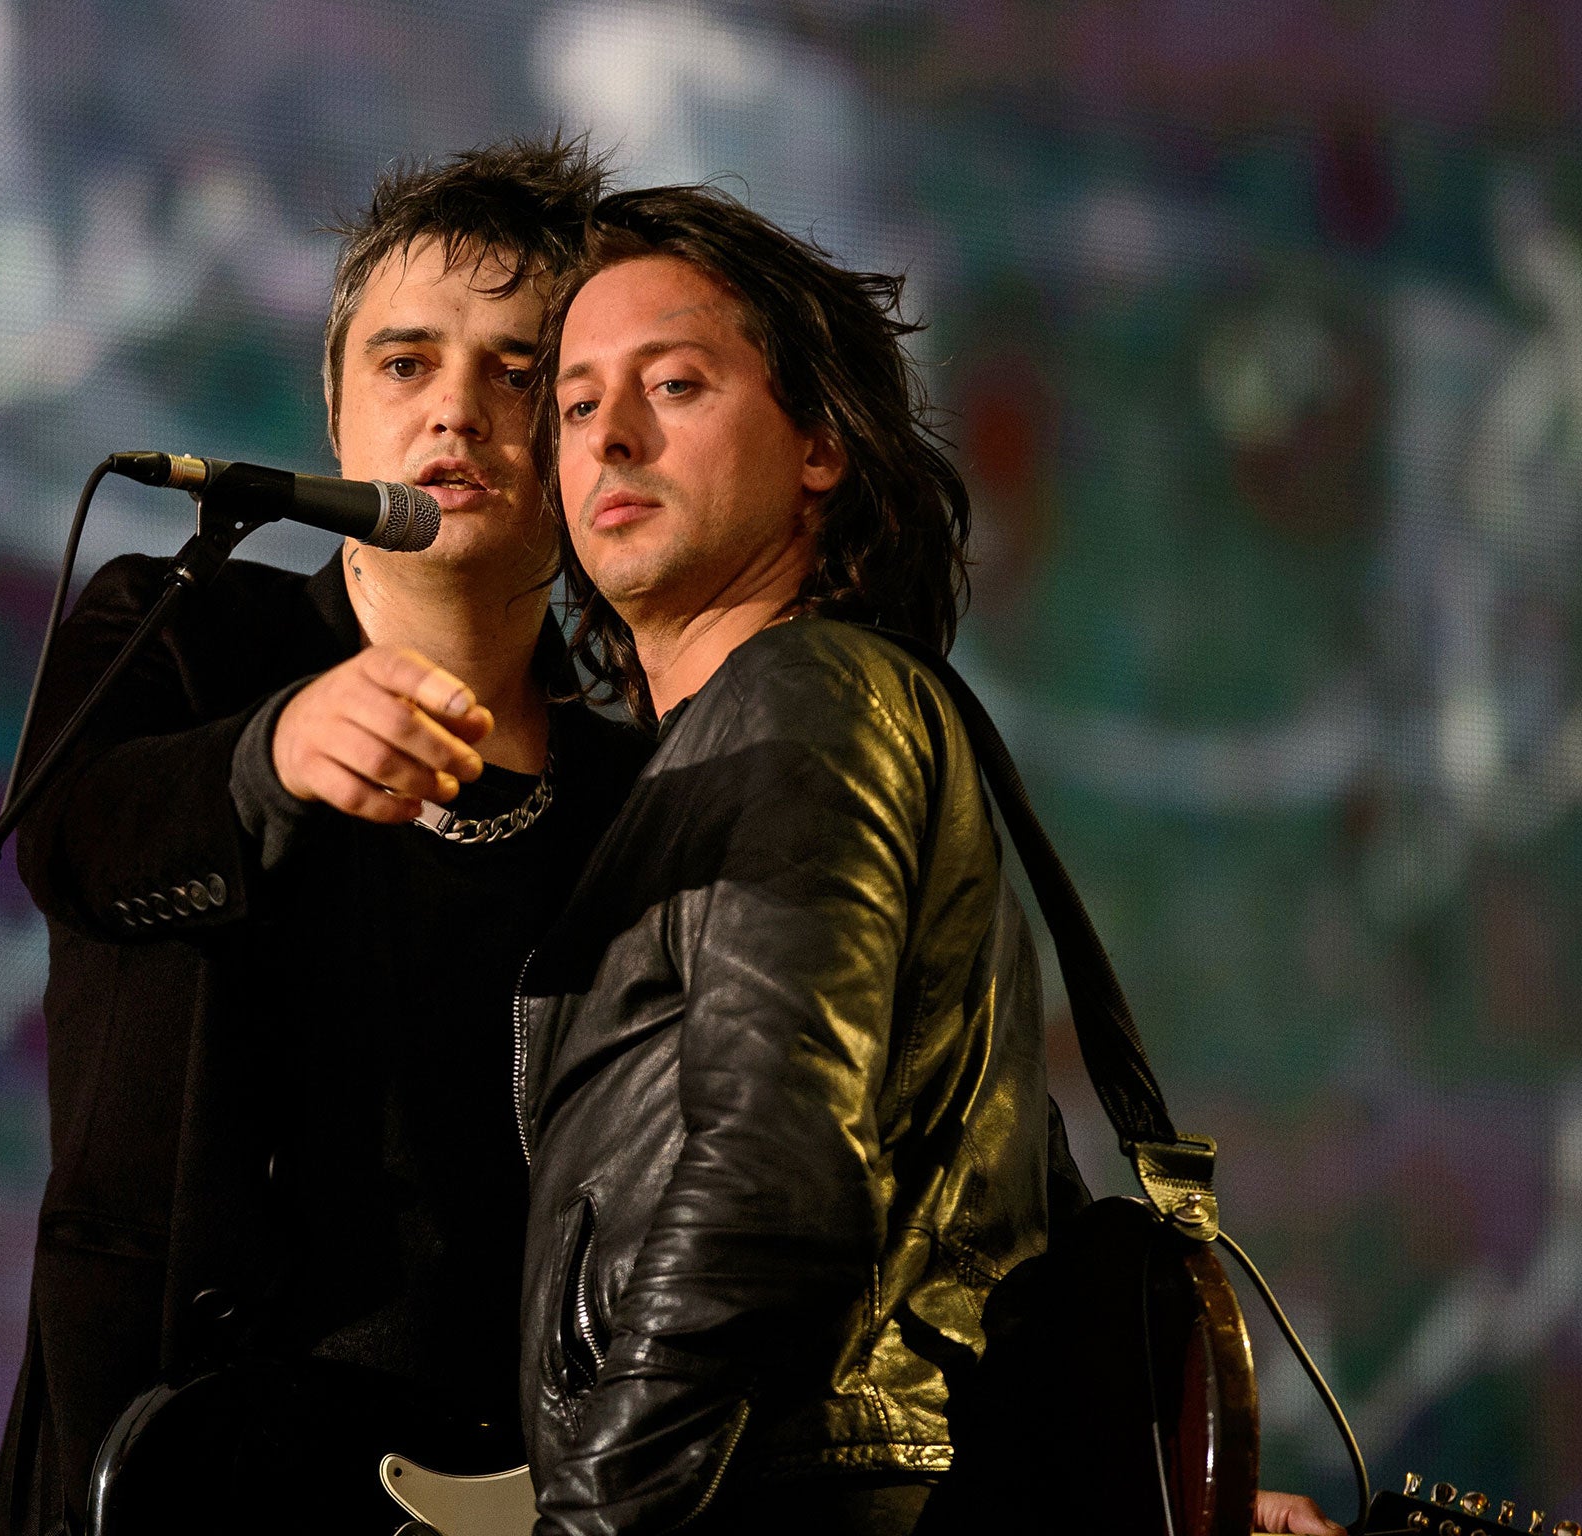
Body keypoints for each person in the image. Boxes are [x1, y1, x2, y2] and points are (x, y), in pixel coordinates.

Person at [516, 185, 1345, 1535]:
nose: (609, 434)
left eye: (673, 383)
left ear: (820, 446)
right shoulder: (822, 725)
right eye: (573, 405)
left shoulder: (804, 700)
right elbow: (987, 1204)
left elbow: (776, 1175)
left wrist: (594, 1519)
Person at [0, 138, 649, 1536]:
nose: (454, 413)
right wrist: (268, 758)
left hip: (514, 1482)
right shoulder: (175, 631)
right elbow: (73, 844)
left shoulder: (635, 774)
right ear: (339, 413)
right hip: (181, 1453)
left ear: (591, 428)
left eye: (520, 373)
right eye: (406, 364)